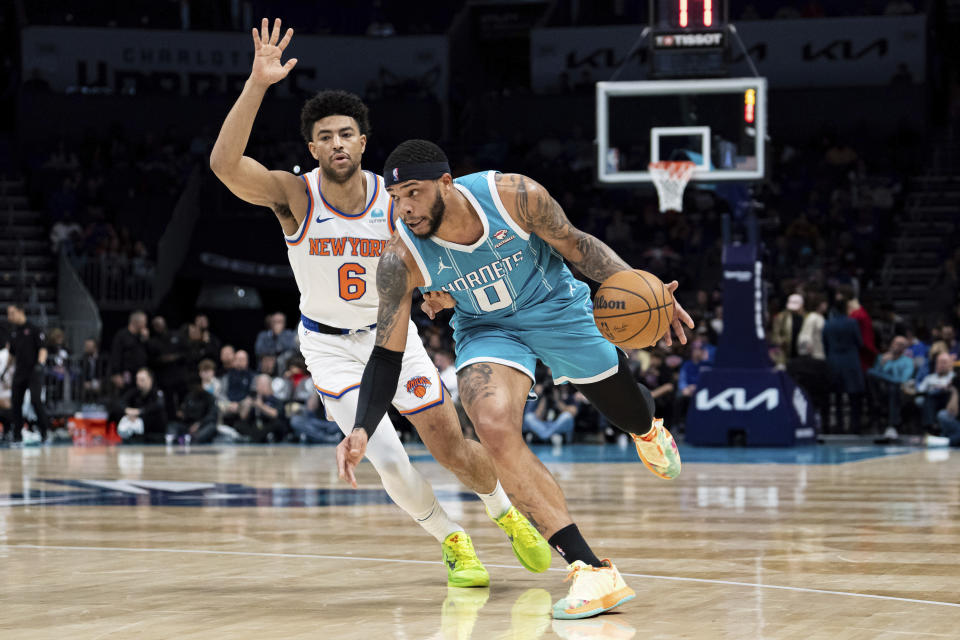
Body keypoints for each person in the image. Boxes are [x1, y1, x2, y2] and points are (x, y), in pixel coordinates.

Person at [208, 17, 548, 587]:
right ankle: (452, 540)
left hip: (393, 335)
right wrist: (257, 84)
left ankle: (504, 512)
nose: (336, 143)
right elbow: (224, 167)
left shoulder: (397, 203)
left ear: (363, 142)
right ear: (311, 147)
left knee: (450, 445)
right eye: (324, 136)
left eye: (346, 134)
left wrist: (444, 292)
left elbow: (445, 257)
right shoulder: (296, 196)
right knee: (385, 457)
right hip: (329, 347)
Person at [340, 139, 692, 619]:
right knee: (491, 423)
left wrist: (644, 287)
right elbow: (385, 355)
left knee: (627, 409)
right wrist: (361, 425)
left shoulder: (512, 195)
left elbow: (578, 247)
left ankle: (647, 428)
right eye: (397, 198)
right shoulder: (400, 259)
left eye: (415, 194)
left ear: (447, 183)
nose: (405, 208)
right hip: (487, 329)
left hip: (556, 307)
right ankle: (591, 570)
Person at [6, 304, 50, 443]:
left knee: (36, 400)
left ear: (20, 312)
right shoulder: (14, 332)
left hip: (33, 372)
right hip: (20, 372)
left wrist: (40, 365)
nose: (9, 317)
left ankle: (44, 431)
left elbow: (43, 349)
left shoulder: (34, 329)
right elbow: (11, 355)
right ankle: (17, 434)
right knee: (16, 403)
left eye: (12, 313)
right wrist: (4, 371)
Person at [823, 297, 865, 433]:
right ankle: (855, 426)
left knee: (837, 395)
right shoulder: (852, 323)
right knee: (854, 396)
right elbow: (859, 342)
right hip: (850, 361)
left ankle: (838, 426)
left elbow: (825, 343)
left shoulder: (828, 323)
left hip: (834, 360)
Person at [867, 336, 914, 441]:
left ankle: (892, 426)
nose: (896, 346)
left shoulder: (908, 361)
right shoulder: (882, 358)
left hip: (900, 393)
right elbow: (873, 374)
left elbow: (902, 380)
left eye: (900, 344)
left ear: (904, 348)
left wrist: (884, 376)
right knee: (870, 374)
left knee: (894, 388)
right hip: (881, 392)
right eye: (895, 343)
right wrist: (882, 364)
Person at [116, 368, 167, 443]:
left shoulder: (157, 393)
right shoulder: (135, 392)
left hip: (156, 434)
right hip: (140, 435)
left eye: (142, 380)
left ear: (150, 380)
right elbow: (120, 402)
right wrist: (127, 410)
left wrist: (139, 412)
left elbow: (158, 405)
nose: (139, 382)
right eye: (137, 379)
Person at [109, 310, 149, 390]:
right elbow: (116, 355)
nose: (145, 325)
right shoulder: (122, 335)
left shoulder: (141, 336)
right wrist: (116, 373)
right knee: (126, 394)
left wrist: (145, 339)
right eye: (144, 322)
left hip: (140, 373)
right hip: (126, 372)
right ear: (137, 322)